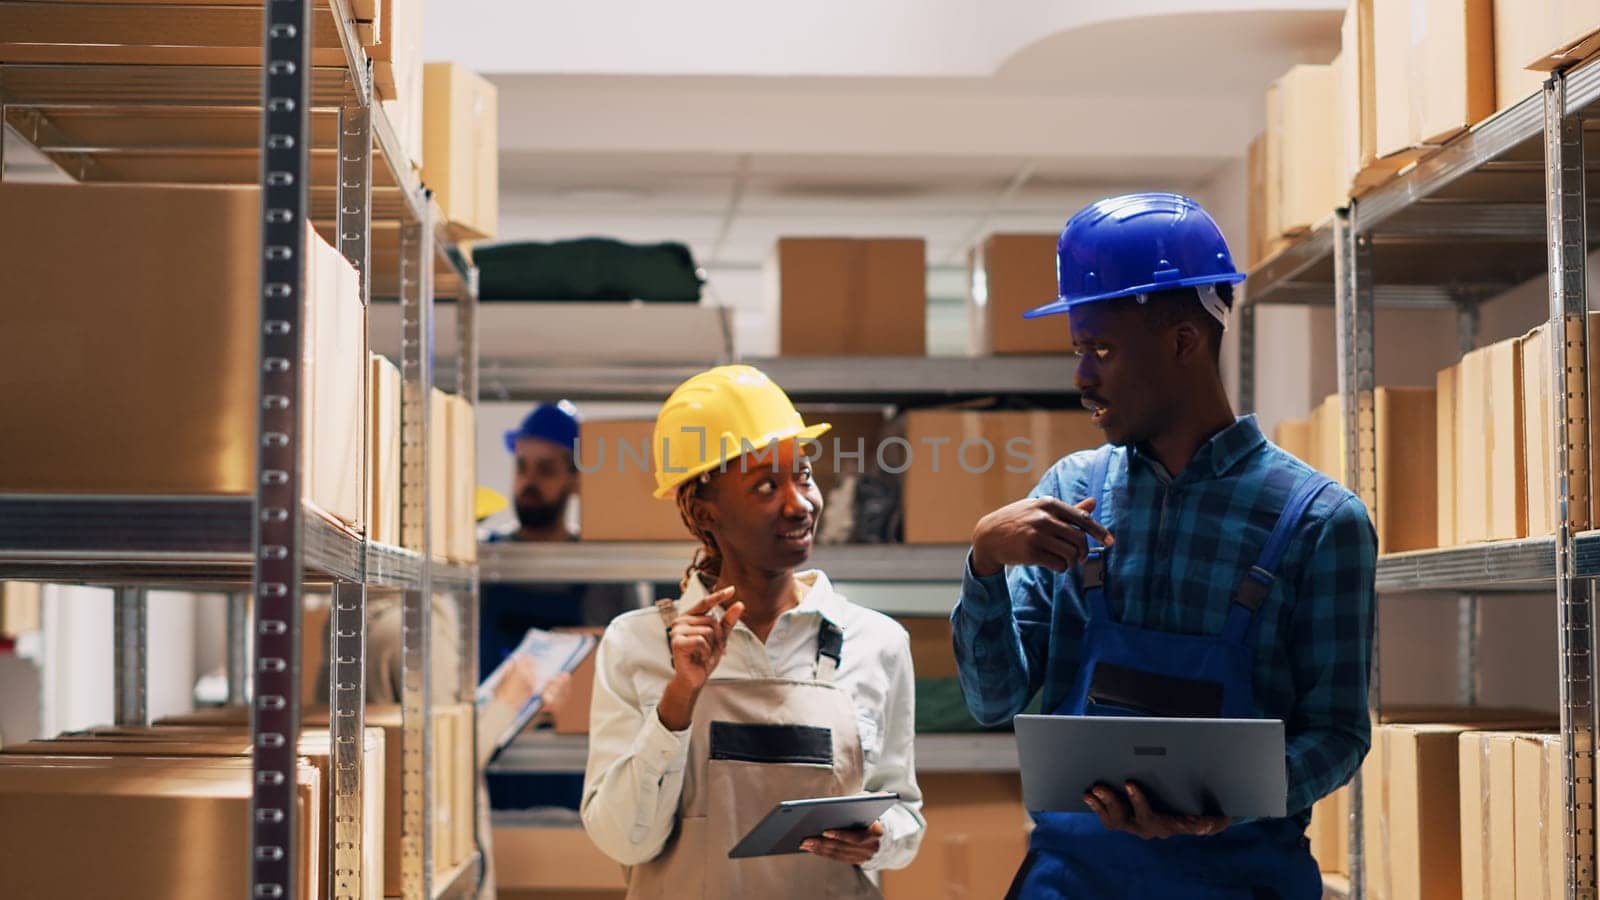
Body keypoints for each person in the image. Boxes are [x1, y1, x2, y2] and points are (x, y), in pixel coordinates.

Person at [952, 192, 1377, 899]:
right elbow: (994, 703)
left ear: (1183, 342)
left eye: (1102, 349)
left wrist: (1229, 802)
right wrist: (983, 564)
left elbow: (1336, 735)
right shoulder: (1069, 493)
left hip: (1242, 882)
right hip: (1074, 881)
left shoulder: (1320, 521)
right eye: (1077, 350)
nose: (1081, 376)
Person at [581, 365, 925, 898]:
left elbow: (905, 816)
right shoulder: (637, 646)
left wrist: (881, 838)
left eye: (803, 476)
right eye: (767, 485)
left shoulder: (876, 642)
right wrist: (677, 702)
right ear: (704, 510)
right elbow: (624, 842)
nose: (800, 504)